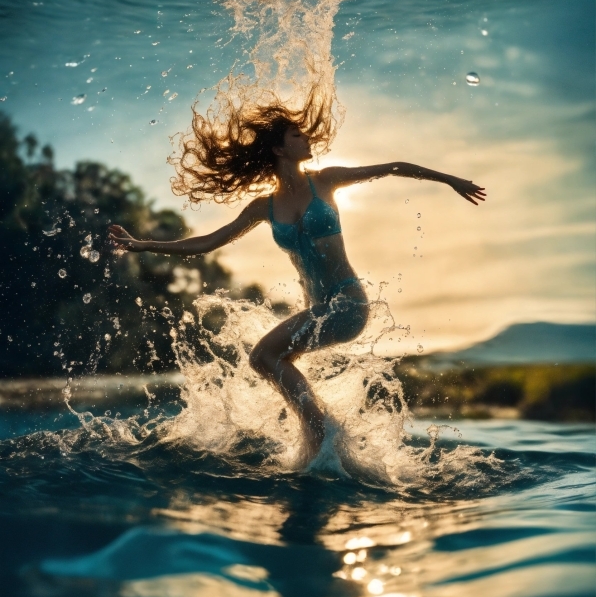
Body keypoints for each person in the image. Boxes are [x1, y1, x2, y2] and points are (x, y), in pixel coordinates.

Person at [109, 97, 485, 462]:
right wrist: (144, 245)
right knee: (271, 359)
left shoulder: (327, 180)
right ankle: (323, 442)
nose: (307, 140)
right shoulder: (264, 207)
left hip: (347, 303)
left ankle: (321, 433)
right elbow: (209, 241)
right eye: (296, 136)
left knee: (263, 355)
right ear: (278, 150)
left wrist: (449, 179)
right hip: (319, 309)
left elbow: (394, 166)